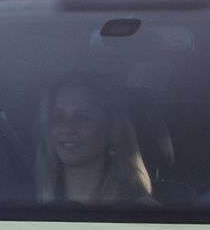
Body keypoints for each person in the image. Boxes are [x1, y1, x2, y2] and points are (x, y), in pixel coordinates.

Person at [35, 73, 155, 205]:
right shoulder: (26, 207)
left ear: (111, 129)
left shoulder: (144, 213)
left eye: (82, 118)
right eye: (58, 118)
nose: (68, 128)